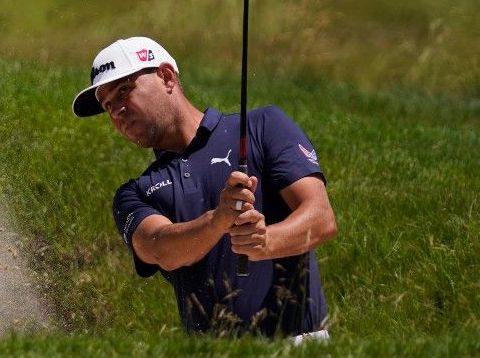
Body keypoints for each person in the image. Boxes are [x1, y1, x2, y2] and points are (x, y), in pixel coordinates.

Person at [72, 36, 337, 339]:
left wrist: (267, 241)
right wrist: (217, 221)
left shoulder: (262, 126)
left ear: (166, 77)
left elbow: (321, 218)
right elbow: (159, 248)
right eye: (108, 105)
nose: (117, 110)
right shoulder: (136, 193)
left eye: (124, 90)